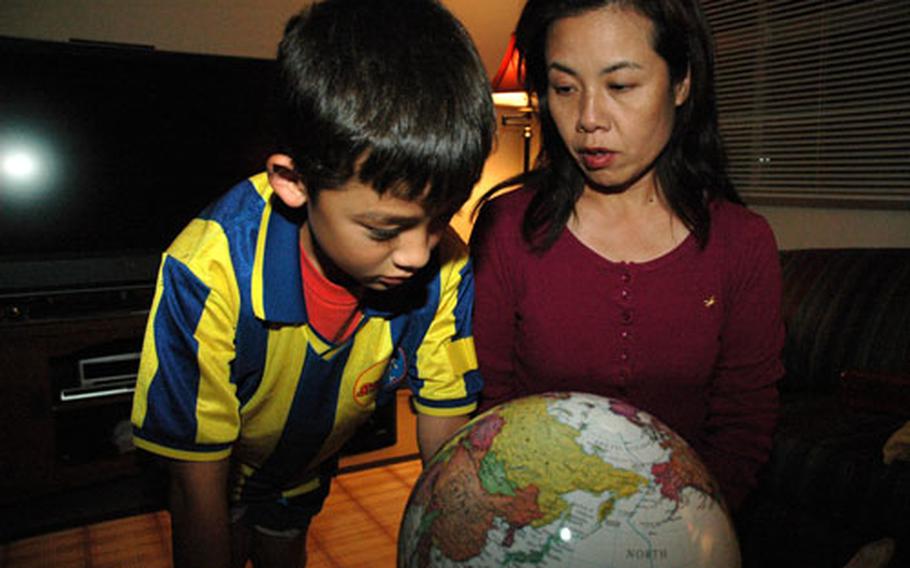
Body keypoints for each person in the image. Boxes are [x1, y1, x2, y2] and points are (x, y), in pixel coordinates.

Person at [130, 1, 495, 566]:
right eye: (384, 229)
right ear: (294, 181)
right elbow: (193, 485)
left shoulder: (446, 265)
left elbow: (445, 436)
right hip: (213, 474)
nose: (419, 254)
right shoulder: (207, 271)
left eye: (443, 214)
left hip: (304, 468)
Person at [471, 0, 784, 512]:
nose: (588, 119)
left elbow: (743, 432)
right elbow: (488, 414)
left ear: (681, 83)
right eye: (565, 88)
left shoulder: (742, 244)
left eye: (620, 86)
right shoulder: (508, 229)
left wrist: (678, 536)